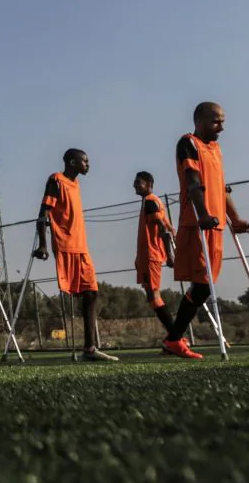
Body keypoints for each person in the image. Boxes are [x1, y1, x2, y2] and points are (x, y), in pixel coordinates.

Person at [162, 103, 249, 359]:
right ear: (199, 121)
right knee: (202, 285)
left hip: (215, 225)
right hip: (197, 223)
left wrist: (235, 218)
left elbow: (221, 187)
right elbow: (193, 181)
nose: (221, 127)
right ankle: (174, 339)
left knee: (204, 285)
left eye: (222, 121)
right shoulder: (188, 143)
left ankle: (173, 339)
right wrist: (203, 215)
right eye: (215, 121)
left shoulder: (216, 149)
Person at [34, 149, 116, 362]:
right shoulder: (56, 180)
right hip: (65, 245)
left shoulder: (76, 185)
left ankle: (90, 348)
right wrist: (43, 244)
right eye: (84, 161)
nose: (88, 164)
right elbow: (43, 213)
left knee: (91, 293)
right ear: (72, 162)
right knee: (80, 293)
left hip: (81, 247)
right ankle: (87, 348)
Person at [132, 170, 176, 336]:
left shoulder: (151, 202)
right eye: (135, 183)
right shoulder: (148, 202)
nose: (135, 185)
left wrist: (170, 255)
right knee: (151, 296)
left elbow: (164, 230)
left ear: (149, 184)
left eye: (139, 183)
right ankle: (174, 336)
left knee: (154, 295)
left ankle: (176, 336)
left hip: (151, 256)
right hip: (146, 257)